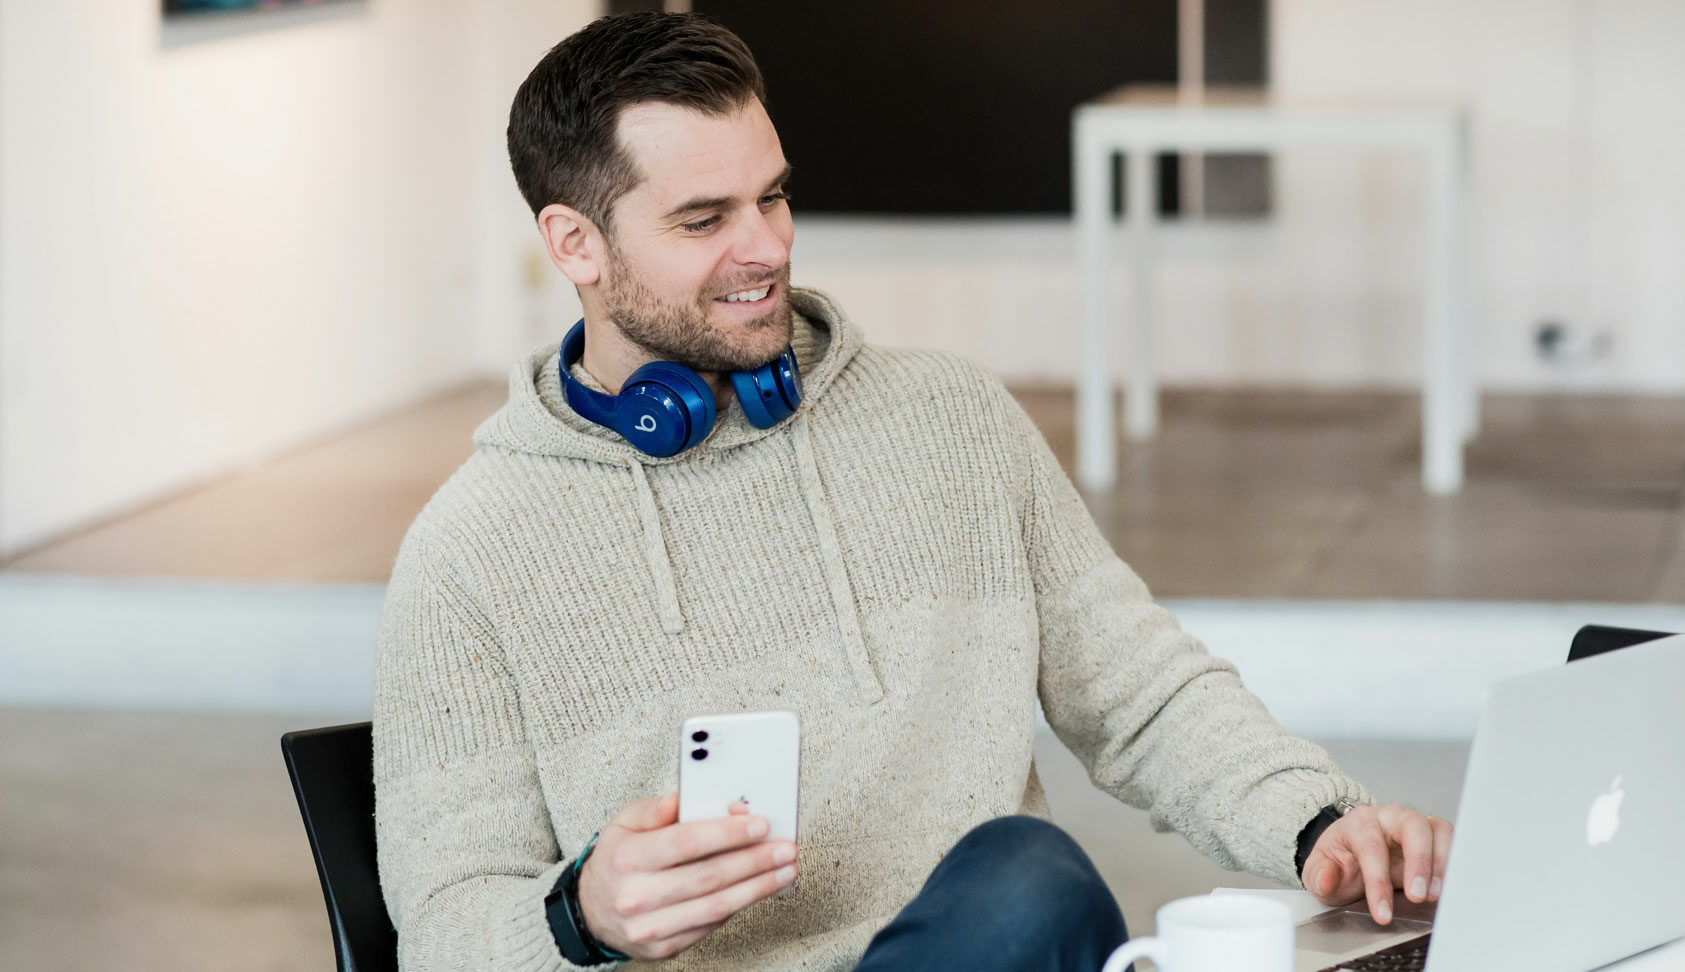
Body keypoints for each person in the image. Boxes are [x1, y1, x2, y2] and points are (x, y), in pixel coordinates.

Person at [372, 11, 1454, 971]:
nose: (764, 247)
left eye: (772, 195)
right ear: (574, 244)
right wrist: (582, 919)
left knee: (1021, 884)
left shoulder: (949, 419)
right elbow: (444, 929)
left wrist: (1317, 823)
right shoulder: (470, 550)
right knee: (1029, 883)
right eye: (703, 220)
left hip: (985, 948)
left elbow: (1139, 692)